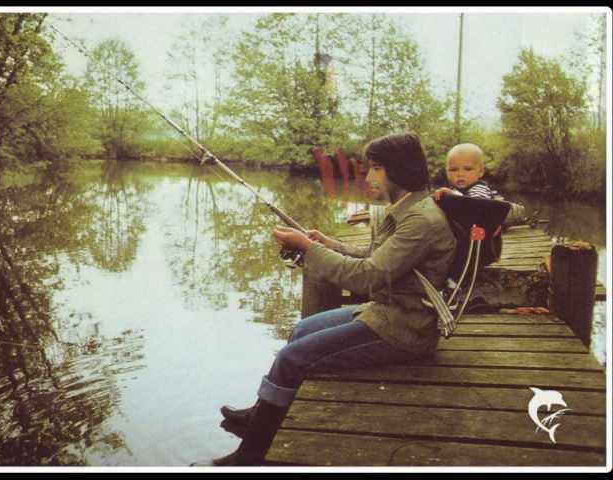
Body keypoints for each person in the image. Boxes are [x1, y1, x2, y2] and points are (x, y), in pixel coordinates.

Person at [192, 132, 456, 466]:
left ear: (398, 170)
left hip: (405, 329)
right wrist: (328, 244)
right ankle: (262, 414)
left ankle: (250, 456)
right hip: (387, 312)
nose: (368, 176)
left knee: (291, 359)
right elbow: (377, 258)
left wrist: (308, 249)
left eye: (375, 168)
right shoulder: (410, 209)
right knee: (302, 330)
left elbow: (368, 276)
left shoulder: (420, 220)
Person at [432, 143, 528, 227]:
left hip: (481, 244)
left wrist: (452, 195)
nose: (460, 174)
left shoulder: (479, 189)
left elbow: (475, 206)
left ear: (481, 171)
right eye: (453, 170)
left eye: (468, 169)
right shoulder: (456, 189)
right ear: (446, 172)